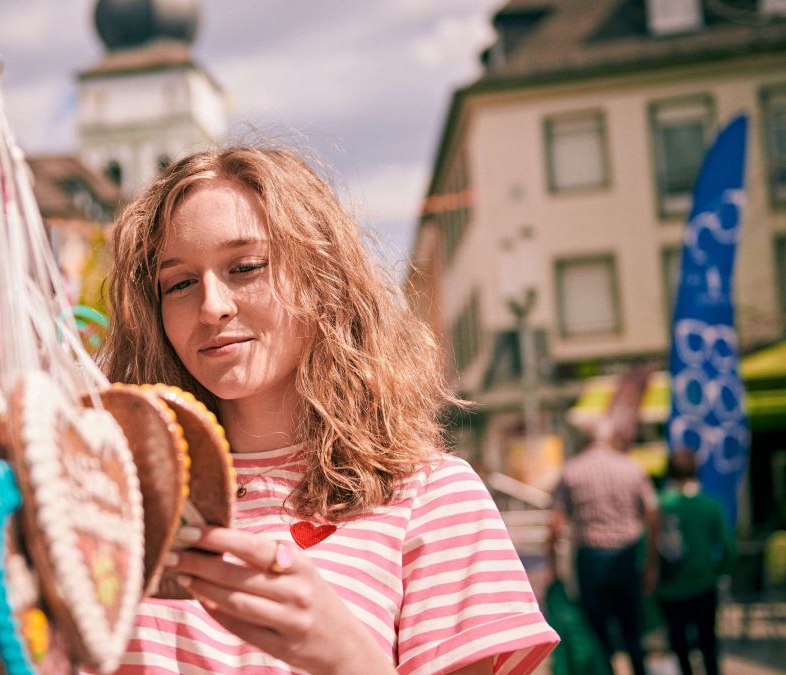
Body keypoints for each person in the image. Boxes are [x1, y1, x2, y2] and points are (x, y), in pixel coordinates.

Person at [99, 146, 559, 674]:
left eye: (246, 267)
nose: (212, 306)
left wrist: (344, 654)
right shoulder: (121, 499)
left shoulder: (429, 497)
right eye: (178, 283)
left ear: (322, 280)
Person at [547, 418, 658, 675]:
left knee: (597, 635)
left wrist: (553, 567)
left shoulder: (571, 471)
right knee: (633, 633)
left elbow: (555, 525)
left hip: (591, 560)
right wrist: (652, 563)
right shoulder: (631, 468)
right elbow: (653, 514)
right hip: (627, 557)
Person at [655, 449, 734, 675]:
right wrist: (718, 572)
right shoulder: (710, 505)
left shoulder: (659, 506)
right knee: (708, 643)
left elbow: (647, 549)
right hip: (704, 584)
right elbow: (728, 548)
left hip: (669, 588)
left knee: (679, 647)